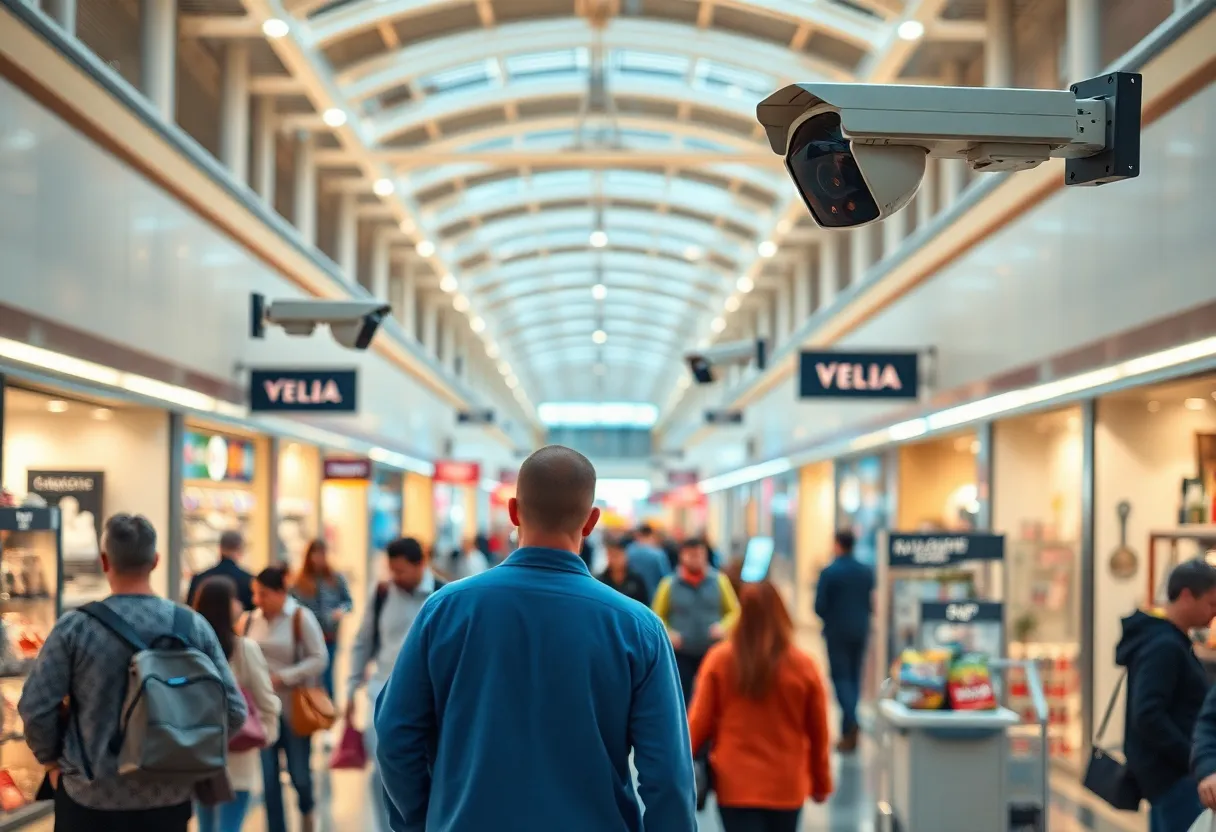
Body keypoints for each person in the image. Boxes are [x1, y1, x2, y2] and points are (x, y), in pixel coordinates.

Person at [375, 445, 697, 832]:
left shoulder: (445, 610)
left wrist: (422, 821)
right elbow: (669, 779)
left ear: (513, 511)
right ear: (591, 521)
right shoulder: (637, 629)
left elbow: (396, 734)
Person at [18, 514, 246, 832]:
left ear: (104, 561)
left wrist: (53, 764)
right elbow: (234, 711)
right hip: (168, 797)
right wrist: (188, 752)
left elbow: (35, 707)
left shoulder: (76, 627)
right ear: (155, 561)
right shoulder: (192, 625)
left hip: (90, 795)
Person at [689, 579, 833, 832]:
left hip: (735, 783)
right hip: (786, 784)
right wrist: (821, 782)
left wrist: (674, 773)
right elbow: (818, 731)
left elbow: (697, 725)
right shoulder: (803, 666)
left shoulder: (719, 660)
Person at [347, 537, 444, 832]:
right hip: (381, 694)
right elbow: (363, 643)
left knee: (426, 768)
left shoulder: (444, 596)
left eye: (401, 571)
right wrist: (351, 689)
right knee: (384, 767)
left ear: (420, 565)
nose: (395, 577)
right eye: (392, 570)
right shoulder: (381, 594)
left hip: (430, 701)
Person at [1116, 558, 1216, 832]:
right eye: (1211, 603)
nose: (1213, 613)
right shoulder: (1164, 647)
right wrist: (1193, 757)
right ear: (1186, 596)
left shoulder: (1167, 641)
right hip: (1174, 778)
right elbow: (1147, 714)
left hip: (1166, 775)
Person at [193, 576, 281, 832]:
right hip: (239, 757)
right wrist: (266, 734)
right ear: (224, 606)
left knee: (206, 828)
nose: (240, 604)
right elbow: (266, 700)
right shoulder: (244, 649)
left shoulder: (190, 649)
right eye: (234, 599)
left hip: (199, 756)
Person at [244, 566, 329, 832]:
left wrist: (284, 676)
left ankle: (307, 810)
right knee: (269, 780)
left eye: (264, 594)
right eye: (255, 594)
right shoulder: (249, 621)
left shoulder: (300, 618)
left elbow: (320, 658)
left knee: (299, 775)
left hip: (294, 708)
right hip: (262, 711)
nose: (258, 600)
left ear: (281, 593)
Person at [652, 537, 741, 705]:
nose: (696, 559)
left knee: (714, 697)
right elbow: (656, 615)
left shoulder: (720, 581)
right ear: (682, 556)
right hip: (681, 653)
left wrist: (723, 627)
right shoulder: (669, 584)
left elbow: (734, 610)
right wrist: (669, 633)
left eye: (700, 554)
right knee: (682, 698)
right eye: (691, 555)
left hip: (712, 650)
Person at [814, 529, 874, 753]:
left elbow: (819, 606)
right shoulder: (865, 571)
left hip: (837, 633)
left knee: (840, 678)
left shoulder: (830, 573)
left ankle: (851, 720)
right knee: (854, 677)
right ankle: (848, 730)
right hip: (860, 630)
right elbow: (870, 601)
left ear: (837, 544)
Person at [290, 539, 353, 700]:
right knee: (310, 675)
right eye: (316, 554)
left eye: (322, 554)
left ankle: (327, 707)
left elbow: (348, 602)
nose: (319, 558)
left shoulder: (335, 578)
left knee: (328, 673)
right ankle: (310, 707)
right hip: (308, 634)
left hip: (329, 634)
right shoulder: (299, 581)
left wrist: (340, 611)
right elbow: (293, 605)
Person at [187, 529, 255, 611]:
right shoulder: (249, 581)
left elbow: (191, 610)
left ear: (220, 548)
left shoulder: (200, 578)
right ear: (240, 549)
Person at [597, 533, 651, 606]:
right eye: (610, 555)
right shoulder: (600, 580)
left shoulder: (636, 579)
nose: (613, 560)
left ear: (625, 555)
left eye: (617, 555)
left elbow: (645, 604)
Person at [628, 523, 671, 599]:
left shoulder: (629, 551)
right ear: (651, 535)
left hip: (632, 594)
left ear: (639, 534)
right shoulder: (658, 554)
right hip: (653, 595)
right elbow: (666, 578)